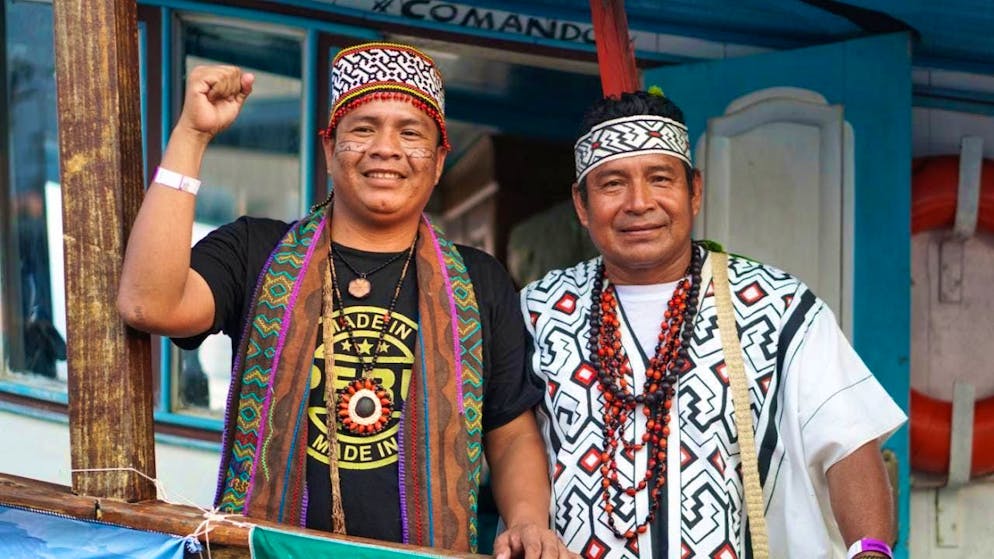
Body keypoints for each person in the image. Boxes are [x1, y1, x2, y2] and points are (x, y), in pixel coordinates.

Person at [118, 42, 571, 558]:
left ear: (440, 160)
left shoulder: (479, 280)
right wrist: (191, 137)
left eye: (410, 133)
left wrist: (530, 520)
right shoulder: (256, 250)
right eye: (363, 129)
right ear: (330, 149)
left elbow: (510, 431)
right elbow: (147, 303)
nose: (386, 148)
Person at [520, 89, 906, 559]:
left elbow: (848, 443)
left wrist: (869, 551)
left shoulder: (778, 307)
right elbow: (506, 444)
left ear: (694, 191)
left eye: (660, 179)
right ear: (581, 205)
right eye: (612, 184)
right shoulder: (539, 312)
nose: (639, 203)